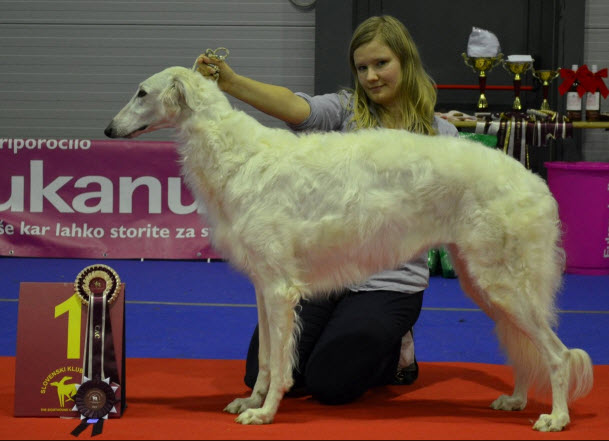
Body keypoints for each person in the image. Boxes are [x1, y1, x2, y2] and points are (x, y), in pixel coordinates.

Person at [196, 15, 458, 405]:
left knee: (332, 384)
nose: (371, 76)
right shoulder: (344, 111)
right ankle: (343, 337)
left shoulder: (441, 135)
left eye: (381, 64)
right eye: (362, 67)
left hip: (389, 281)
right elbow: (293, 107)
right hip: (320, 274)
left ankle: (397, 351)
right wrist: (230, 82)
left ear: (406, 61)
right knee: (260, 374)